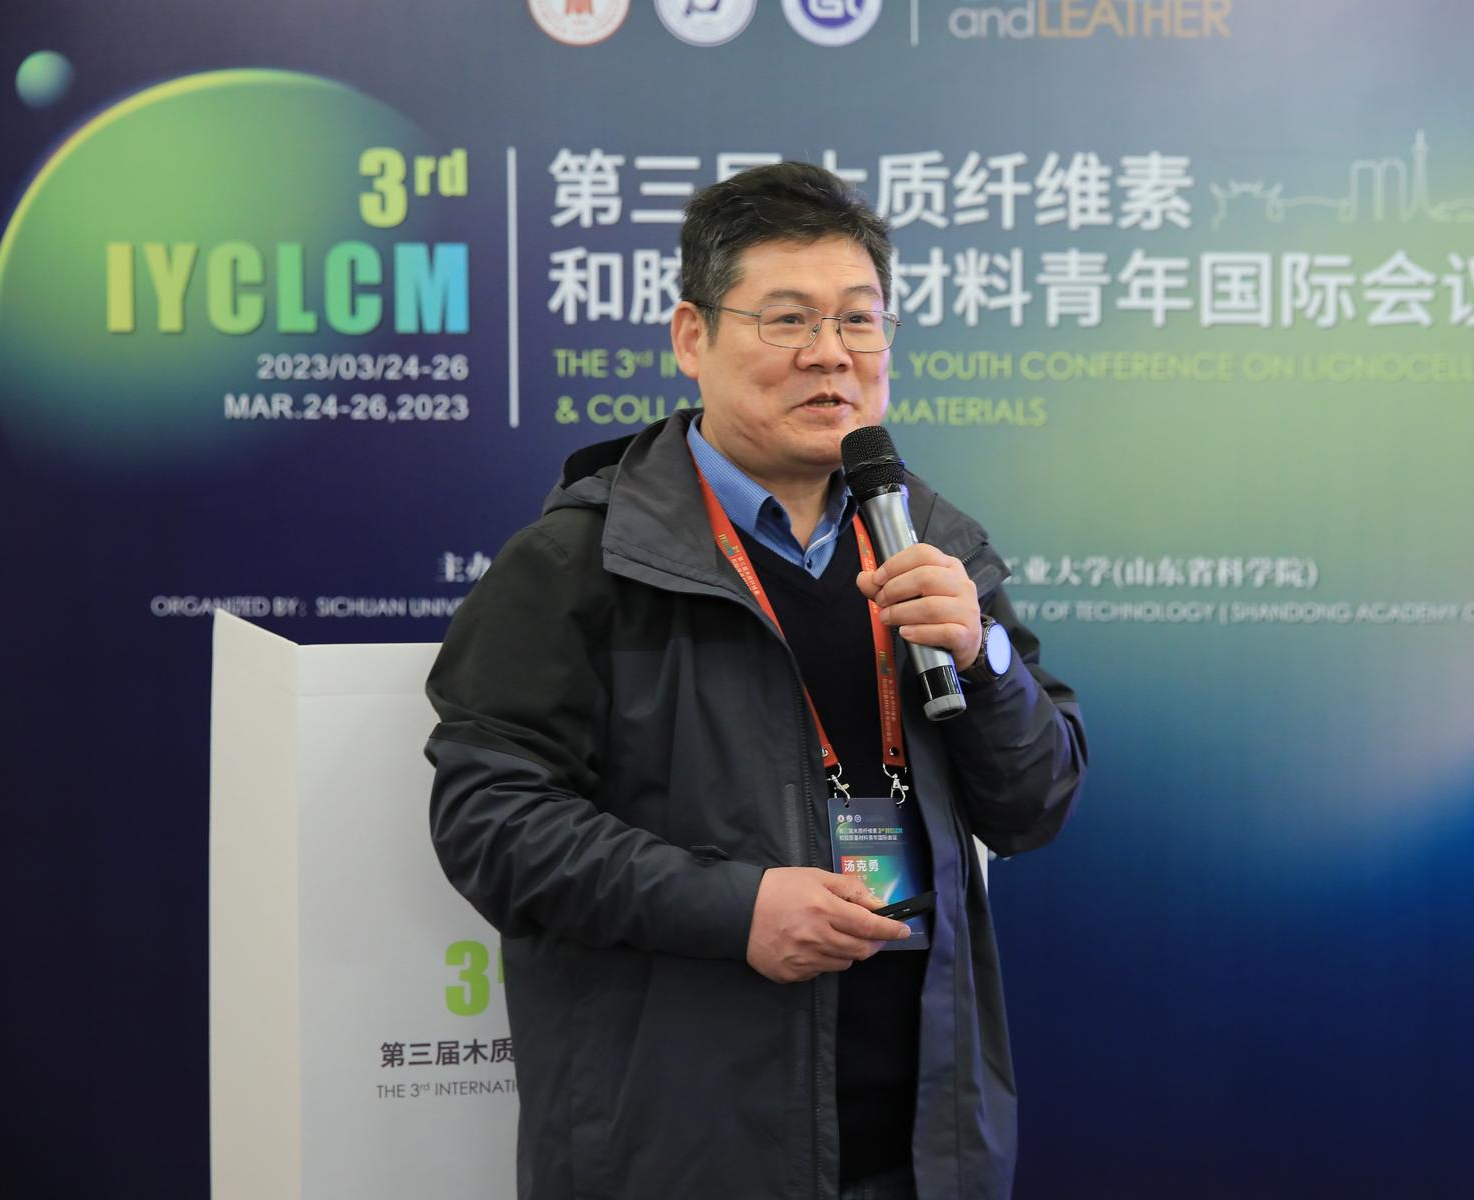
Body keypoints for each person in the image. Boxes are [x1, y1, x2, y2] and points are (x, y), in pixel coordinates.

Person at [426, 162, 1087, 1200]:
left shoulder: (930, 543)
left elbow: (1035, 802)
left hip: (924, 1150)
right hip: (684, 1152)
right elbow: (491, 822)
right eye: (788, 320)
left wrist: (982, 658)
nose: (831, 354)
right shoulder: (581, 561)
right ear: (692, 337)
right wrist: (736, 908)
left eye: (858, 319)